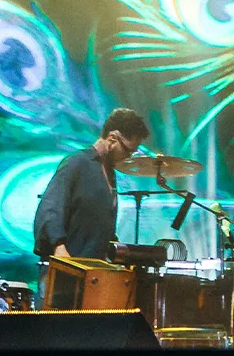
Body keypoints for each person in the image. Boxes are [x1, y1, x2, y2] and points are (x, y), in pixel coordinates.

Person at [33, 108, 149, 262]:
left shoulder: (109, 173)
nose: (128, 157)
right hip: (66, 268)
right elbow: (50, 209)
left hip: (91, 270)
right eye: (128, 151)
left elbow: (97, 225)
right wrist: (58, 248)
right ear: (113, 138)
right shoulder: (77, 163)